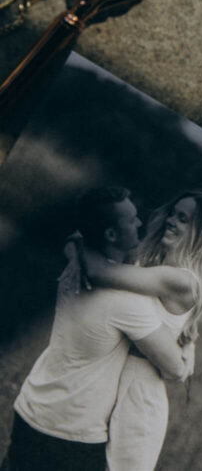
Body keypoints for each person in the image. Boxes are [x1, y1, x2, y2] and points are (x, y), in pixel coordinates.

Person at [1, 187, 191, 471]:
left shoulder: (74, 266)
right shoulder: (125, 301)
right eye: (131, 219)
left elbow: (77, 241)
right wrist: (188, 344)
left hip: (32, 406)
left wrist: (74, 243)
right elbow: (175, 369)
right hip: (71, 433)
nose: (140, 223)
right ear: (112, 235)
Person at [73, 191, 202, 471]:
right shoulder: (156, 267)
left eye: (183, 219)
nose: (171, 221)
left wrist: (78, 238)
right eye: (173, 213)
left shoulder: (181, 281)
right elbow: (188, 343)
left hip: (138, 398)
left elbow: (98, 272)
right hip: (112, 382)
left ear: (201, 234)